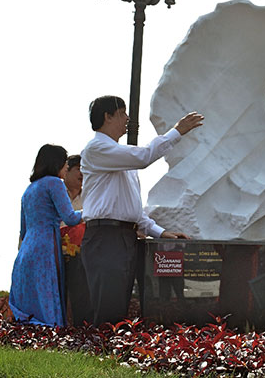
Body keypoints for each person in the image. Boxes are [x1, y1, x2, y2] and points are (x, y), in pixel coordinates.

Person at [80, 95, 204, 325]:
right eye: (122, 113)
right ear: (107, 117)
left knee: (119, 305)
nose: (127, 119)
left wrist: (159, 232)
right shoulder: (97, 148)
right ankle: (99, 355)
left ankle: (110, 355)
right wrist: (177, 131)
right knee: (108, 305)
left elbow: (133, 210)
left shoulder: (121, 156)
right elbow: (145, 156)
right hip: (104, 238)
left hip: (124, 238)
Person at [9, 144, 83, 326]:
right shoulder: (55, 183)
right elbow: (70, 218)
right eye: (65, 163)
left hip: (26, 250)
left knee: (31, 298)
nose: (66, 167)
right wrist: (95, 210)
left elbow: (23, 230)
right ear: (56, 162)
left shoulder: (29, 190)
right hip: (46, 246)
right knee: (48, 295)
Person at [59, 154, 93, 325]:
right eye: (79, 169)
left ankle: (82, 332)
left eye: (85, 170)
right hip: (56, 254)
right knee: (58, 296)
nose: (82, 174)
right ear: (66, 171)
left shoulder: (90, 195)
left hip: (81, 256)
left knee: (82, 296)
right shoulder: (55, 192)